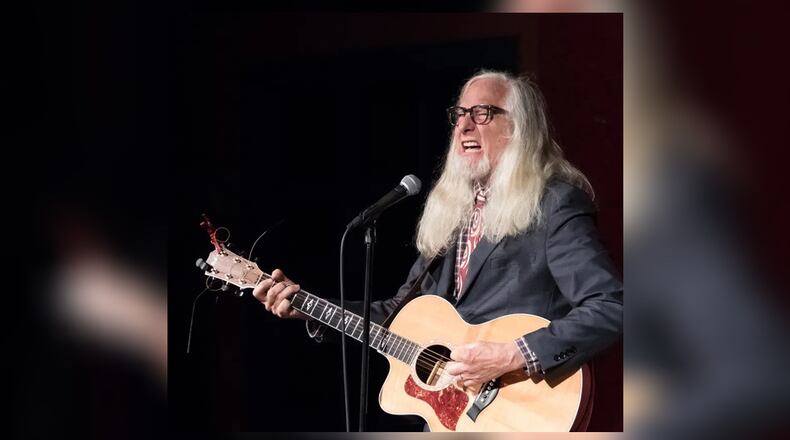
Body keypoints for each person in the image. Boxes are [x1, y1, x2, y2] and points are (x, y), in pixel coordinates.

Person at [253, 70, 623, 418]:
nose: (463, 126)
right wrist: (307, 307)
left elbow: (612, 306)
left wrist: (513, 354)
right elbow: (398, 317)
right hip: (459, 414)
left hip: (523, 407)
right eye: (459, 115)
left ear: (518, 128)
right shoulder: (453, 217)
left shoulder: (553, 204)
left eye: (481, 114)